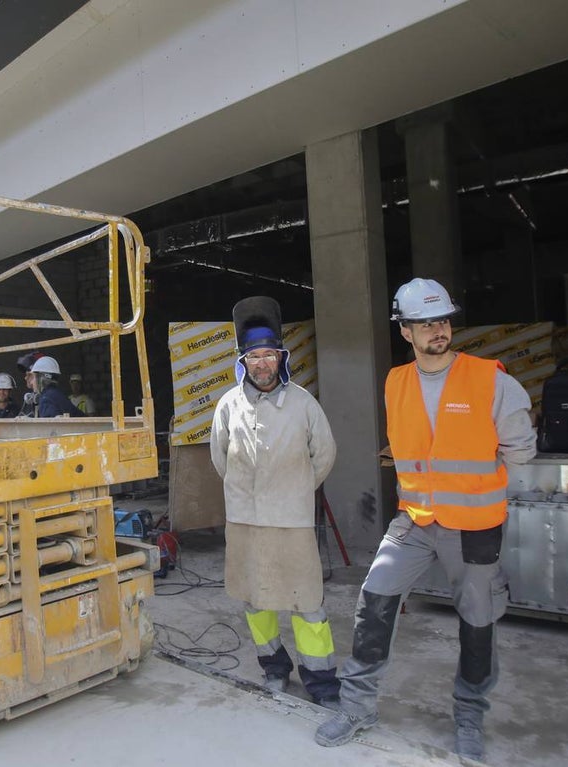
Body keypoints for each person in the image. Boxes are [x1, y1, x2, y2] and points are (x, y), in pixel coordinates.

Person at [315, 278, 537, 761]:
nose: (438, 329)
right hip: (413, 521)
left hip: (474, 527)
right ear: (406, 332)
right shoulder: (396, 381)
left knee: (477, 624)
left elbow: (520, 451)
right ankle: (357, 708)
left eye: (442, 320)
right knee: (374, 601)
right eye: (425, 322)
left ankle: (469, 715)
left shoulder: (491, 379)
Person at [209, 296, 340, 708]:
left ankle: (321, 682)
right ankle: (274, 667)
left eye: (269, 355)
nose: (262, 364)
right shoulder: (228, 406)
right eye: (254, 357)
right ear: (243, 362)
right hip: (245, 522)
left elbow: (325, 455)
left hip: (292, 522)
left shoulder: (303, 403)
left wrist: (295, 489)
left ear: (280, 359)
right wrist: (248, 496)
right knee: (255, 599)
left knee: (307, 603)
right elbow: (220, 458)